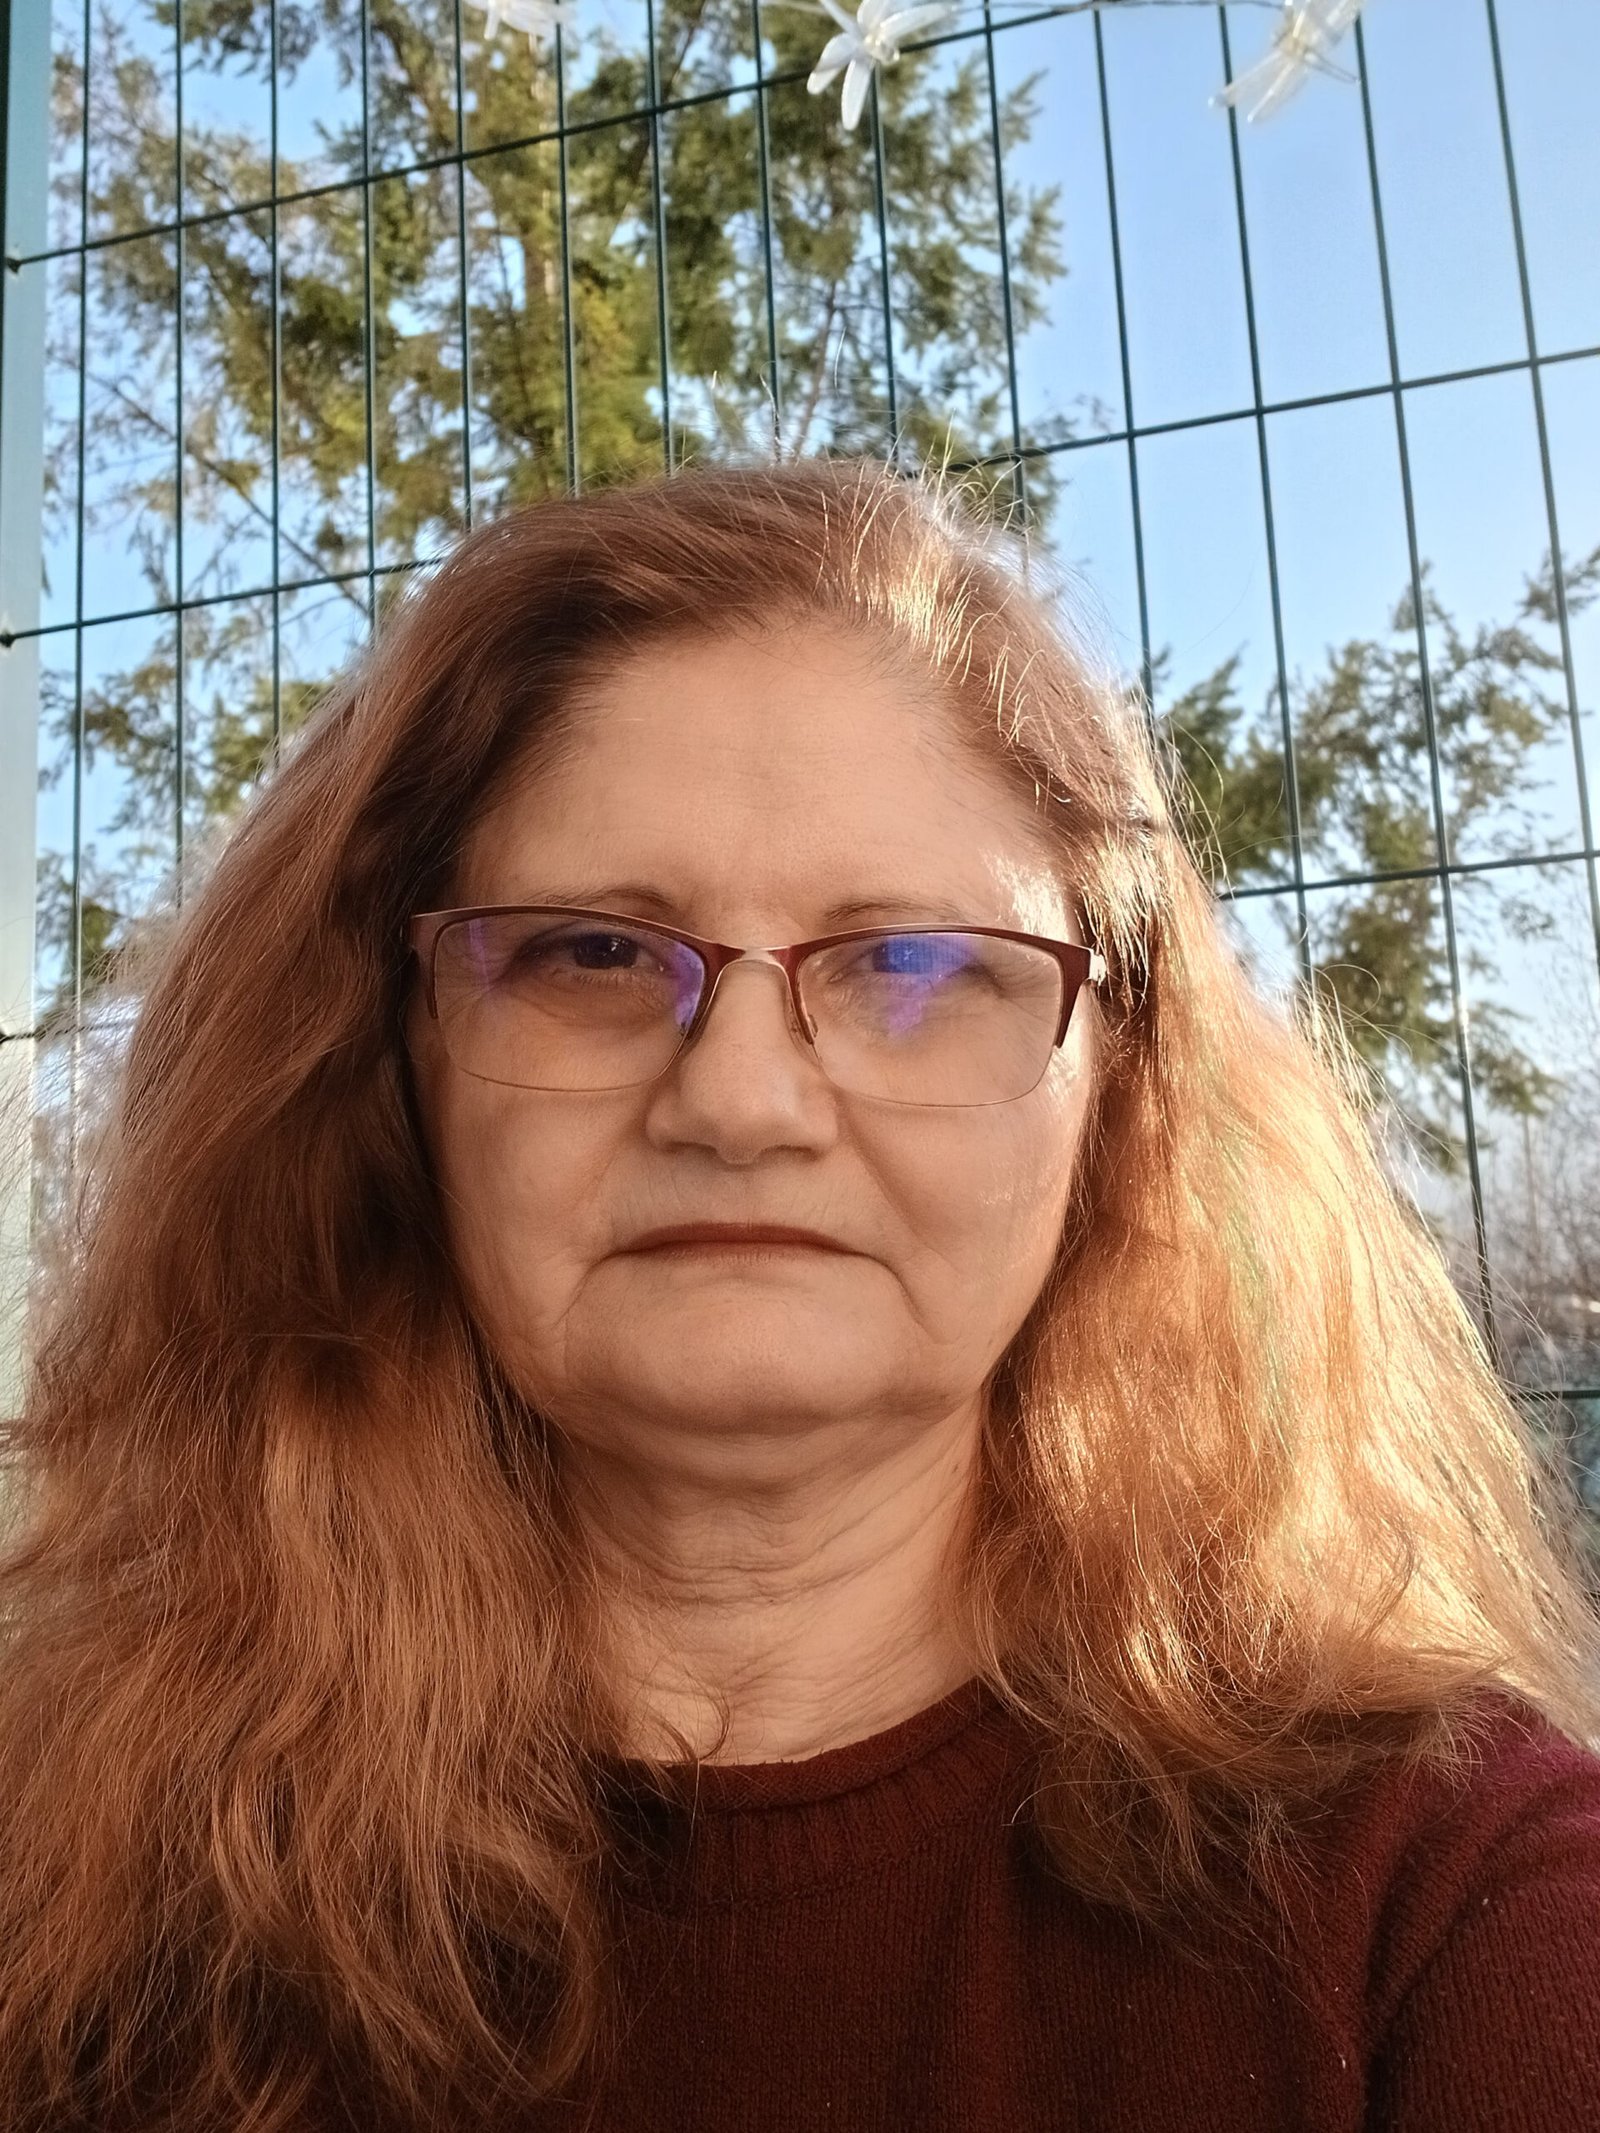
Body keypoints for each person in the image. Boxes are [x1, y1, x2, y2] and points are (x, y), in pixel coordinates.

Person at [0, 457, 1597, 2133]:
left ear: (1117, 1092)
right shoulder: (77, 1901)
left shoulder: (1450, 1910)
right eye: (591, 953)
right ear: (388, 1070)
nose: (742, 1100)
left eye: (913, 962)